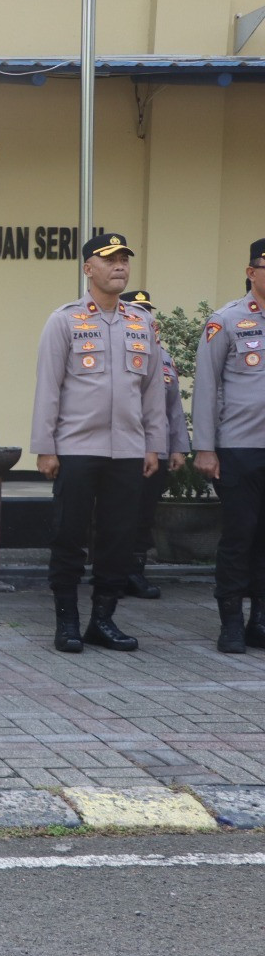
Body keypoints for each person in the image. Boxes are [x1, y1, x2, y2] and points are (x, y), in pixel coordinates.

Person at [29, 233, 162, 653]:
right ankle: (67, 621)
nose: (119, 265)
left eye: (124, 259)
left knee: (119, 539)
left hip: (128, 450)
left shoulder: (141, 323)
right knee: (69, 536)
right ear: (88, 269)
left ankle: (102, 620)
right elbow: (48, 388)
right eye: (109, 259)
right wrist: (45, 447)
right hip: (76, 448)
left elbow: (153, 391)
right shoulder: (64, 320)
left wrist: (153, 445)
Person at [191, 237, 265, 653]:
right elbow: (206, 386)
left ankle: (260, 621)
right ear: (251, 272)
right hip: (239, 449)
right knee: (240, 535)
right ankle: (231, 623)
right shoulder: (226, 320)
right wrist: (205, 447)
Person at [119, 290, 190, 600]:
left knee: (145, 514)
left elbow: (173, 408)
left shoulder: (163, 357)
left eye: (147, 311)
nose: (144, 317)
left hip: (156, 449)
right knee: (119, 515)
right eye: (137, 311)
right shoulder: (119, 351)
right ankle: (113, 574)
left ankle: (135, 572)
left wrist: (178, 447)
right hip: (123, 448)